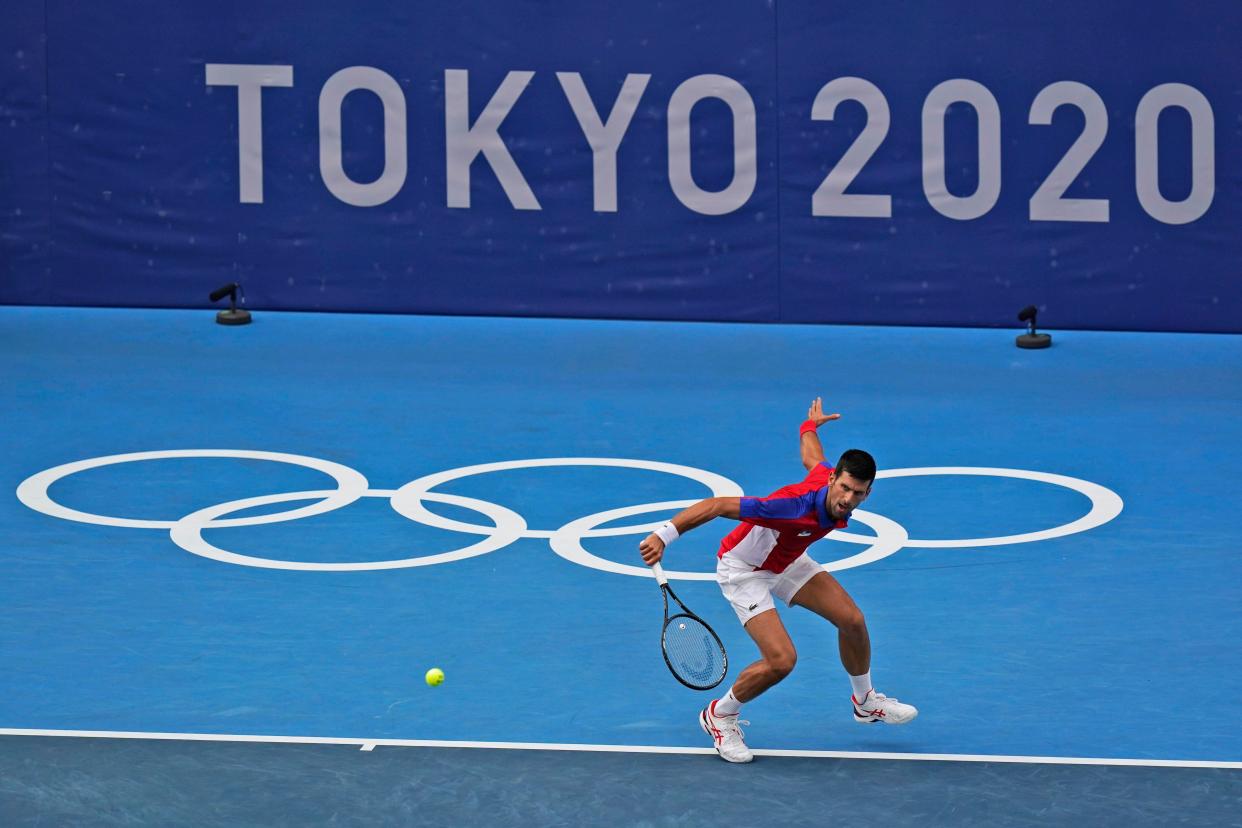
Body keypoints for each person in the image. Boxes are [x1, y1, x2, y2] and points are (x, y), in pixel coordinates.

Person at [638, 398, 917, 763]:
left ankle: (865, 702)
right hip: (743, 570)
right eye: (844, 488)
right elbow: (719, 505)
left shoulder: (826, 478)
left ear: (868, 492)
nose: (848, 499)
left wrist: (809, 426)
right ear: (834, 480)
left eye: (858, 493)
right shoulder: (790, 507)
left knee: (853, 621)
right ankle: (720, 715)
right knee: (782, 660)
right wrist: (664, 534)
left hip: (786, 559)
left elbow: (812, 457)